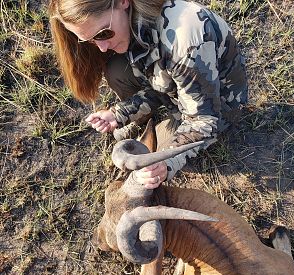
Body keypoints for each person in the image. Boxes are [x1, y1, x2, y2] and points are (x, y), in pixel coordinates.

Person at [49, 0, 248, 189]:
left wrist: (166, 162)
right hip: (179, 91)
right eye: (90, 40)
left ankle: (159, 133)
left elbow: (205, 120)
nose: (102, 47)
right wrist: (119, 113)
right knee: (117, 70)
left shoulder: (185, 40)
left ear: (123, 2)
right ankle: (143, 120)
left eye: (102, 34)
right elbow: (160, 83)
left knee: (151, 158)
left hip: (219, 107)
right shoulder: (133, 20)